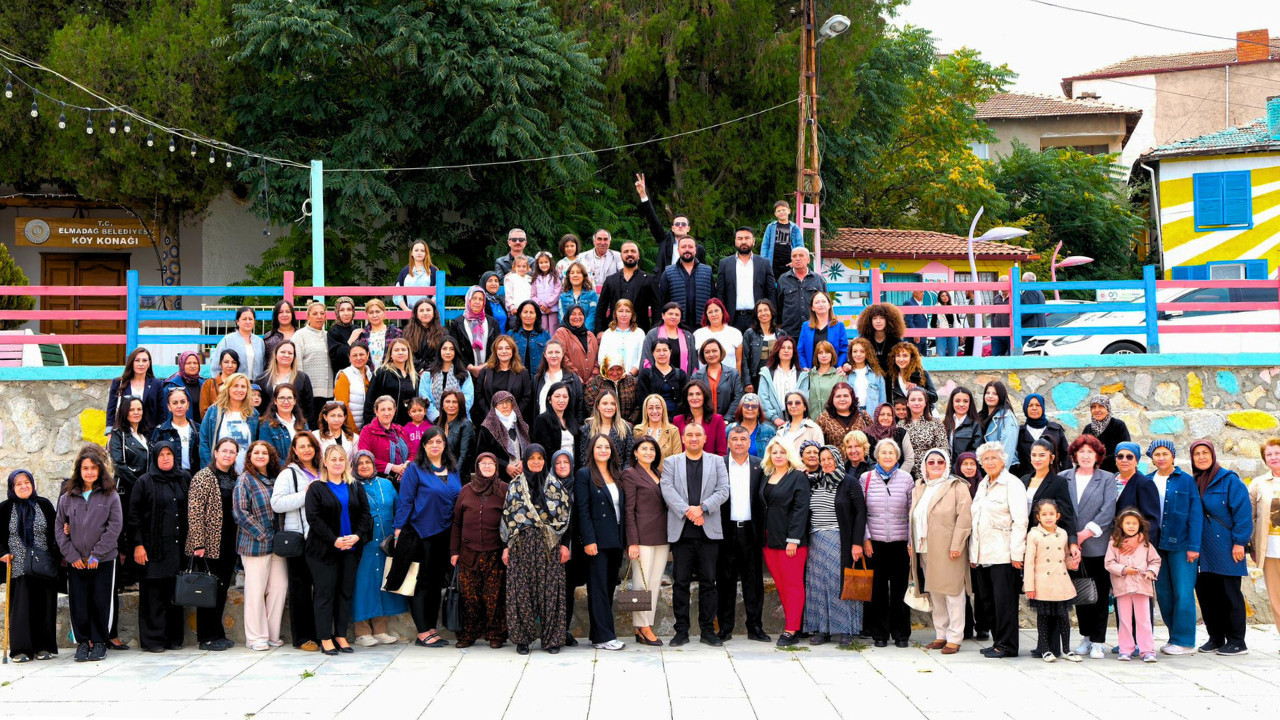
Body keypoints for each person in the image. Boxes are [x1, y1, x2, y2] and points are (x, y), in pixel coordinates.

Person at [390, 427, 462, 649]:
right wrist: (399, 528)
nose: (435, 445)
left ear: (444, 445)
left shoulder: (453, 469)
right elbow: (406, 499)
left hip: (446, 535)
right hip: (422, 533)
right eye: (430, 442)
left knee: (435, 584)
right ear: (423, 445)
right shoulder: (415, 469)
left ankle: (432, 629)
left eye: (439, 442)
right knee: (421, 583)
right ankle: (422, 633)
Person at [659, 423, 729, 647]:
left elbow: (724, 490)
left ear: (705, 438)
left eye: (698, 434)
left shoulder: (717, 461)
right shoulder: (671, 462)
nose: (693, 438)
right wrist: (689, 511)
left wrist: (703, 508)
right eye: (689, 434)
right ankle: (681, 631)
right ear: (683, 437)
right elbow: (667, 488)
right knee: (680, 583)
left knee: (709, 582)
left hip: (708, 532)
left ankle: (708, 630)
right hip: (682, 532)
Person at [56, 445, 123, 663]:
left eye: (94, 468)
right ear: (79, 470)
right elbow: (59, 528)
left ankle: (100, 642)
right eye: (85, 468)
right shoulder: (67, 497)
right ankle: (83, 643)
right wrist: (72, 556)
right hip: (76, 562)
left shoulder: (110, 495)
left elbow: (115, 527)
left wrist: (96, 555)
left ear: (100, 470)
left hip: (102, 560)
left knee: (101, 601)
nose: (90, 472)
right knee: (79, 602)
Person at [503, 446, 573, 655]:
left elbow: (566, 517)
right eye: (531, 458)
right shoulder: (515, 485)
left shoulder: (556, 485)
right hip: (521, 545)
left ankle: (552, 639)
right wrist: (506, 547)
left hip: (549, 545)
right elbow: (507, 517)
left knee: (551, 594)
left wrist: (564, 545)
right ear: (524, 460)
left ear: (545, 461)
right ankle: (522, 639)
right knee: (521, 592)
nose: (535, 462)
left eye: (539, 458)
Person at [305, 445, 373, 655]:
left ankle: (341, 635)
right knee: (325, 593)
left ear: (347, 463)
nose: (337, 463)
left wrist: (357, 536)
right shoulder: (316, 487)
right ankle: (325, 638)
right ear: (325, 462)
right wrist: (334, 540)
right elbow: (313, 519)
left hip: (351, 549)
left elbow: (364, 514)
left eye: (341, 459)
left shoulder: (355, 486)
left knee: (345, 592)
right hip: (323, 550)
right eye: (333, 459)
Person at [1191, 439, 1252, 656]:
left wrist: (1239, 543)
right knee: (1207, 595)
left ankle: (1237, 641)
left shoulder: (1230, 481)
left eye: (1205, 452)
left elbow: (1243, 514)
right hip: (1202, 549)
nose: (1201, 457)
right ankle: (1216, 637)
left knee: (1230, 594)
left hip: (1227, 546)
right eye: (1197, 453)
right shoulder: (1194, 482)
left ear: (1213, 455)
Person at [127, 442, 191, 654]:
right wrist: (138, 545)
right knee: (153, 595)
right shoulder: (144, 482)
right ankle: (153, 640)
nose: (165, 458)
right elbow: (134, 517)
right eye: (161, 455)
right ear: (154, 458)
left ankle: (173, 638)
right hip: (152, 548)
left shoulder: (183, 479)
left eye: (169, 454)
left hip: (176, 547)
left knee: (174, 593)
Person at [908, 448, 973, 655]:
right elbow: (914, 518)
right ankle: (941, 634)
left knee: (953, 593)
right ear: (924, 465)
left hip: (949, 549)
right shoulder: (919, 487)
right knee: (935, 593)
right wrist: (911, 542)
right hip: (925, 548)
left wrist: (957, 545)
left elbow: (964, 518)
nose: (935, 466)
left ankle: (955, 637)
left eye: (940, 462)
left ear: (946, 465)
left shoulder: (956, 486)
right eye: (931, 462)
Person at [1059, 435, 1118, 659]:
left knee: (1100, 595)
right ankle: (1085, 637)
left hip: (1096, 544)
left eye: (1090, 452)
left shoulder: (1107, 478)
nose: (1085, 456)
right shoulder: (1064, 477)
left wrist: (1084, 534)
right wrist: (1073, 537)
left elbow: (1108, 510)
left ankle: (1098, 641)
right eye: (1081, 452)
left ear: (1097, 456)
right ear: (1074, 454)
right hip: (1071, 545)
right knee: (1082, 593)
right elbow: (1061, 508)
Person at [969, 441, 1028, 659]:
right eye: (986, 459)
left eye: (994, 458)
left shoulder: (1012, 484)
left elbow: (1020, 521)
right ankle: (997, 642)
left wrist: (1016, 554)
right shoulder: (983, 484)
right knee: (988, 601)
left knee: (1005, 603)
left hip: (1004, 554)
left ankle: (1008, 645)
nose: (990, 462)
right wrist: (973, 554)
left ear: (1003, 460)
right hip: (984, 554)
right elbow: (976, 521)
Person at [1144, 439, 1203, 656]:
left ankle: (1185, 640)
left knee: (1183, 592)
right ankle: (1173, 637)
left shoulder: (1185, 480)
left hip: (1182, 544)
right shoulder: (1148, 480)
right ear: (1152, 457)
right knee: (1165, 593)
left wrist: (1194, 546)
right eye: (1157, 454)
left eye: (1165, 454)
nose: (1161, 458)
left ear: (1173, 456)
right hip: (1157, 545)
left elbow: (1195, 513)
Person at [855, 438, 914, 648]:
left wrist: (910, 540)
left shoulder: (907, 479)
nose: (887, 456)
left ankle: (901, 634)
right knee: (877, 591)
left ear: (897, 457)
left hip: (900, 543)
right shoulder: (866, 478)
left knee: (900, 591)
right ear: (876, 456)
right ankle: (879, 633)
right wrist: (866, 538)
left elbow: (911, 513)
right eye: (883, 452)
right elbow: (861, 512)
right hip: (875, 543)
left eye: (891, 452)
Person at [185, 437, 242, 651]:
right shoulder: (203, 477)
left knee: (221, 589)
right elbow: (195, 512)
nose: (228, 455)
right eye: (224, 451)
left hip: (228, 541)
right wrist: (198, 543)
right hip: (208, 544)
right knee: (207, 591)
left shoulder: (235, 477)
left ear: (236, 456)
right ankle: (206, 637)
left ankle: (218, 633)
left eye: (232, 452)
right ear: (215, 453)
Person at [232, 441, 288, 651]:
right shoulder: (245, 480)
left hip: (278, 543)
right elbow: (240, 512)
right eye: (256, 452)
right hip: (255, 543)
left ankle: (272, 634)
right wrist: (262, 534)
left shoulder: (276, 479)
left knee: (279, 587)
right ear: (249, 456)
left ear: (271, 456)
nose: (261, 455)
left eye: (265, 452)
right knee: (255, 591)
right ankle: (255, 637)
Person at [450, 453, 510, 648]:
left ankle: (496, 634)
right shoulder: (466, 490)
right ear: (476, 466)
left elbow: (510, 522)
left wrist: (508, 548)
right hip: (468, 553)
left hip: (495, 553)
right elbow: (457, 523)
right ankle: (469, 634)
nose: (486, 466)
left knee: (494, 597)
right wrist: (454, 551)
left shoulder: (504, 490)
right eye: (482, 463)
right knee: (470, 597)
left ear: (496, 467)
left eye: (490, 463)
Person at [805, 445, 863, 645]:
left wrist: (857, 543)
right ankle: (823, 629)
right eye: (823, 459)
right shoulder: (815, 482)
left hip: (839, 539)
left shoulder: (849, 482)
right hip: (815, 540)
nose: (826, 462)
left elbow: (860, 513)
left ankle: (846, 629)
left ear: (838, 459)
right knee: (818, 585)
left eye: (830, 458)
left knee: (839, 583)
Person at [1, 469, 60, 662]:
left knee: (44, 605)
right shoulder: (4, 508)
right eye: (18, 484)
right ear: (12, 488)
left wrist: (57, 556)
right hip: (17, 565)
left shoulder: (43, 504)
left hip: (42, 564)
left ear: (32, 484)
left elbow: (55, 531)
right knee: (21, 608)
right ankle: (21, 649)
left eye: (27, 482)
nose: (24, 486)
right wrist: (2, 553)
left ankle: (43, 647)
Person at [271, 431, 322, 652]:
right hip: (299, 538)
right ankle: (303, 638)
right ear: (294, 450)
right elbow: (277, 504)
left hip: (322, 538)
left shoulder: (323, 470)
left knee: (320, 588)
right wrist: (307, 494)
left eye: (310, 445)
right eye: (301, 446)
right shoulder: (288, 474)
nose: (306, 450)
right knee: (300, 589)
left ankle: (320, 634)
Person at [717, 426, 769, 642]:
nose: (738, 443)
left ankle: (755, 627)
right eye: (734, 439)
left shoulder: (761, 465)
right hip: (725, 530)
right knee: (724, 581)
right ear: (728, 442)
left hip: (751, 531)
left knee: (754, 581)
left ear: (750, 442)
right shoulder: (719, 464)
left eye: (743, 439)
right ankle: (725, 628)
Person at [576, 434, 627, 650]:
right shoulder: (584, 474)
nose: (603, 450)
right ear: (592, 450)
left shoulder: (617, 475)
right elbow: (582, 509)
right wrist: (588, 539)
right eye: (599, 447)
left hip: (615, 539)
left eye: (607, 447)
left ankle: (597, 636)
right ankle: (606, 637)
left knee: (607, 587)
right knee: (598, 589)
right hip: (596, 541)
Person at [350, 450, 406, 647]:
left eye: (368, 462)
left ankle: (380, 629)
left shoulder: (387, 484)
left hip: (386, 542)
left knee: (383, 583)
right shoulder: (351, 486)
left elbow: (399, 509)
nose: (364, 466)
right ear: (354, 467)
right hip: (364, 543)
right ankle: (362, 631)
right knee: (363, 585)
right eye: (360, 463)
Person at [759, 438, 810, 646]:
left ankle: (791, 630)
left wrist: (794, 539)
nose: (778, 455)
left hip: (791, 542)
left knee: (793, 585)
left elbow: (801, 510)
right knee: (781, 585)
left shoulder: (798, 477)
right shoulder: (766, 476)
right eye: (774, 452)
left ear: (788, 454)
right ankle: (794, 624)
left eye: (782, 452)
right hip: (769, 541)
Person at [621, 437, 669, 647]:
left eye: (652, 449)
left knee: (655, 583)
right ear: (636, 453)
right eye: (644, 449)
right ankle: (642, 626)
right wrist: (632, 542)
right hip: (641, 537)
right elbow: (628, 510)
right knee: (642, 584)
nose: (649, 452)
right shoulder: (630, 474)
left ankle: (645, 624)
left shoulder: (659, 473)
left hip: (662, 536)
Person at [1023, 499, 1081, 662]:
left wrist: (1073, 561)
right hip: (1042, 583)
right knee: (1043, 618)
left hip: (1061, 582)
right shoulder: (1034, 534)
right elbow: (1029, 562)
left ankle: (1067, 649)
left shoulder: (1062, 533)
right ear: (1038, 517)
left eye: (1051, 514)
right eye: (1044, 514)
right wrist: (1029, 585)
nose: (1048, 517)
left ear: (1058, 516)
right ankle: (1045, 650)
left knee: (1064, 617)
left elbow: (1064, 557)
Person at [1105, 508, 1161, 663]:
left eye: (1134, 523)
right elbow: (1109, 563)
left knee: (1144, 620)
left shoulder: (1145, 544)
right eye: (1127, 523)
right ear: (1121, 525)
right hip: (1122, 588)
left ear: (1140, 525)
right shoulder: (1114, 544)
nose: (1131, 526)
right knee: (1124, 619)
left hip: (1142, 587)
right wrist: (1123, 570)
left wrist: (1151, 571)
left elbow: (1155, 561)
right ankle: (1125, 649)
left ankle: (1147, 650)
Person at [634, 172, 706, 270]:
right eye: (677, 224)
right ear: (672, 228)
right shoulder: (664, 240)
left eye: (683, 224)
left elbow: (703, 272)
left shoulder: (699, 249)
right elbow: (652, 220)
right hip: (666, 283)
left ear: (688, 228)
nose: (680, 226)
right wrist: (643, 195)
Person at [715, 226, 777, 334]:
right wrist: (722, 317)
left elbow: (771, 292)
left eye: (747, 238)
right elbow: (720, 293)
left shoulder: (764, 263)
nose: (743, 241)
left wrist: (772, 319)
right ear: (735, 241)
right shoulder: (725, 264)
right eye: (740, 238)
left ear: (753, 241)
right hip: (732, 319)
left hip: (759, 318)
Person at [1021, 439, 1078, 546]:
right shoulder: (1023, 480)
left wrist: (1072, 541)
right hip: (1022, 537)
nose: (1037, 459)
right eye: (1034, 455)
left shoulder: (1059, 482)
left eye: (1042, 455)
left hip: (1046, 539)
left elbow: (1067, 514)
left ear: (1051, 458)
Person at [1249, 438, 1280, 629]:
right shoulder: (1258, 484)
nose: (1273, 457)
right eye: (1269, 454)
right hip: (1270, 550)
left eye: (1277, 453)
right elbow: (1250, 517)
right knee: (1276, 597)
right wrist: (1252, 546)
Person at [595, 241, 657, 332]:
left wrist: (654, 332)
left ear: (638, 255)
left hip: (641, 332)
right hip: (614, 331)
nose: (629, 254)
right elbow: (601, 308)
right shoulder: (610, 280)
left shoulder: (650, 280)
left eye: (633, 251)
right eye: (626, 251)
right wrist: (599, 331)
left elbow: (657, 308)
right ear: (621, 256)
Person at [474, 335, 535, 425]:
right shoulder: (486, 371)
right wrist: (490, 414)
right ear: (495, 351)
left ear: (513, 351)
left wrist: (513, 414)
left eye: (507, 348)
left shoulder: (522, 372)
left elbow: (527, 396)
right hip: (490, 422)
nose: (504, 351)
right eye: (500, 348)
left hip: (514, 422)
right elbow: (479, 395)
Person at [659, 236, 715, 331]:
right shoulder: (668, 272)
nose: (687, 250)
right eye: (684, 247)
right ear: (678, 250)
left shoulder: (707, 271)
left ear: (695, 250)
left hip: (702, 325)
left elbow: (713, 298)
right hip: (677, 325)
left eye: (690, 247)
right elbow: (662, 301)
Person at [106, 347, 164, 434]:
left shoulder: (157, 384)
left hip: (150, 435)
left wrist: (160, 434)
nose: (141, 364)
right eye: (137, 360)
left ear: (149, 363)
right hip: (123, 434)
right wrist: (109, 432)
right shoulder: (119, 383)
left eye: (144, 360)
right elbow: (111, 410)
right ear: (131, 362)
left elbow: (162, 413)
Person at [295, 301, 335, 426]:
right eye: (315, 314)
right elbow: (297, 363)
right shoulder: (300, 335)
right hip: (309, 393)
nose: (319, 316)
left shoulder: (329, 335)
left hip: (329, 393)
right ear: (308, 317)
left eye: (322, 313)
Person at [476, 390, 532, 480]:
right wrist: (505, 466)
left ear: (513, 404)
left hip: (523, 477)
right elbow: (483, 454)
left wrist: (524, 462)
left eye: (508, 402)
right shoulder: (488, 427)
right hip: (499, 478)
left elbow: (531, 448)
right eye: (500, 403)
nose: (505, 406)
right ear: (495, 407)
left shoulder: (522, 425)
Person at [363, 337, 418, 428]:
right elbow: (370, 401)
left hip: (407, 427)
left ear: (408, 353)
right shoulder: (381, 373)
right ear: (391, 354)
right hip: (385, 425)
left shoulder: (414, 376)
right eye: (396, 350)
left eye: (403, 350)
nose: (400, 352)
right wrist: (371, 424)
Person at [254, 341, 316, 419]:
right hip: (269, 426)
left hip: (297, 425)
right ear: (276, 354)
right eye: (283, 352)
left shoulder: (303, 378)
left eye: (290, 353)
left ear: (294, 357)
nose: (286, 355)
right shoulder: (261, 379)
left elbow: (309, 407)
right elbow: (256, 406)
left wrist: (309, 428)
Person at [1013, 393, 1071, 477]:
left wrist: (1067, 479)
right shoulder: (1019, 432)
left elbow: (1065, 456)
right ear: (1025, 408)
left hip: (1053, 480)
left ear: (1043, 407)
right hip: (1027, 481)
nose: (1034, 408)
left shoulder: (1055, 430)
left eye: (1038, 405)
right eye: (1030, 405)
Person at [420, 337, 475, 424]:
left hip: (460, 422)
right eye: (444, 349)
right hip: (434, 423)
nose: (448, 352)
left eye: (451, 349)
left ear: (456, 351)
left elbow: (468, 399)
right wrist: (437, 417)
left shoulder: (464, 374)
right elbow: (424, 398)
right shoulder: (428, 374)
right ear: (439, 351)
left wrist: (453, 416)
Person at [775, 246, 826, 339]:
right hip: (789, 332)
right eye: (794, 256)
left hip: (814, 330)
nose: (797, 258)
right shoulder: (783, 279)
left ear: (808, 259)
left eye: (801, 255)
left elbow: (826, 305)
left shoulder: (818, 280)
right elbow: (778, 305)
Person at [533, 340, 586, 428]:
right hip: (542, 429)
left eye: (557, 352)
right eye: (550, 352)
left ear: (563, 354)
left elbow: (580, 408)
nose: (554, 355)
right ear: (545, 355)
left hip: (566, 431)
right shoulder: (537, 379)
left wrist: (577, 430)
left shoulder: (573, 378)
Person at [448, 285, 500, 374]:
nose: (477, 302)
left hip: (490, 371)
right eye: (474, 298)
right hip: (464, 372)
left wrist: (487, 365)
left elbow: (497, 347)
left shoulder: (492, 323)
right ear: (468, 300)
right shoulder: (457, 324)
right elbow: (454, 349)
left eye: (480, 299)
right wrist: (469, 367)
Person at [579, 388, 635, 470]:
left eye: (613, 404)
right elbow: (584, 459)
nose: (609, 407)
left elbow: (629, 458)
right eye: (605, 403)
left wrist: (623, 476)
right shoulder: (587, 429)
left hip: (619, 477)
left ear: (616, 407)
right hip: (594, 477)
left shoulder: (626, 428)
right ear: (598, 406)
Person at [358, 396, 411, 482]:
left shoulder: (400, 429)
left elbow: (412, 452)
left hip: (405, 477)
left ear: (394, 410)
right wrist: (392, 468)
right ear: (376, 411)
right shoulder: (367, 431)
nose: (387, 413)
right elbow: (364, 458)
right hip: (378, 480)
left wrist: (405, 467)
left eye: (390, 409)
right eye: (383, 410)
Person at [758, 336, 808, 425]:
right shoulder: (766, 372)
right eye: (782, 347)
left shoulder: (802, 374)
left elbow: (804, 398)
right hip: (771, 423)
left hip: (797, 422)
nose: (786, 350)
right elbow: (763, 397)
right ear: (777, 351)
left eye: (789, 348)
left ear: (794, 352)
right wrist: (774, 418)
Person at [691, 338, 744, 422]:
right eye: (707, 352)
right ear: (703, 355)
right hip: (703, 421)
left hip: (728, 422)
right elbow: (693, 399)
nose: (711, 354)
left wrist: (727, 419)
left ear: (720, 351)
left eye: (714, 351)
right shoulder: (696, 376)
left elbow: (737, 398)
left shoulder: (733, 374)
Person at [741, 299, 786, 393]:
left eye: (766, 310)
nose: (763, 313)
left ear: (771, 312)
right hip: (757, 379)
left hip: (779, 378)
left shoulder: (781, 334)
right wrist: (747, 382)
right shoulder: (749, 334)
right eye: (759, 311)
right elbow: (745, 360)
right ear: (756, 315)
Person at [640, 303, 698, 376]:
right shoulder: (653, 334)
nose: (673, 317)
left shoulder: (688, 336)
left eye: (677, 315)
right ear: (663, 315)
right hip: (657, 381)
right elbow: (646, 358)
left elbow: (693, 361)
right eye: (670, 314)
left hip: (682, 381)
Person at [673, 380, 727, 456]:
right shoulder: (677, 420)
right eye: (691, 394)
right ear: (686, 398)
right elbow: (676, 451)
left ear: (704, 396)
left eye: (698, 394)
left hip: (711, 466)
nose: (694, 397)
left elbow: (721, 451)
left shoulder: (717, 420)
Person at [901, 387, 947, 478]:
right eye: (913, 400)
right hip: (906, 475)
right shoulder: (900, 425)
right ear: (907, 403)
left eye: (920, 400)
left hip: (930, 474)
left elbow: (943, 450)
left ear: (925, 403)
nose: (916, 403)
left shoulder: (936, 423)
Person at [637, 339, 688, 419]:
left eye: (665, 350)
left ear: (670, 352)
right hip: (653, 418)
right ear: (653, 353)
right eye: (658, 351)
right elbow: (642, 399)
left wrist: (673, 419)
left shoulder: (680, 374)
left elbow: (684, 400)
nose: (662, 354)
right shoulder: (646, 374)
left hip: (676, 418)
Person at [532, 382, 581, 464]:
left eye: (565, 396)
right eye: (557, 396)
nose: (561, 400)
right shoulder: (542, 420)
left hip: (572, 468)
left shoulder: (572, 420)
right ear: (549, 399)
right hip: (553, 468)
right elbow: (545, 451)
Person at [256, 383, 308, 461]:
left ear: (294, 401)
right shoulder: (266, 426)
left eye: (290, 398)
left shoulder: (303, 424)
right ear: (275, 401)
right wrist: (291, 470)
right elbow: (270, 455)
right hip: (281, 471)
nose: (286, 402)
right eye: (282, 398)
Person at [1081, 395, 1132, 474]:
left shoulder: (1118, 425)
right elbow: (1081, 450)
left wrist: (1098, 461)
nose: (1097, 410)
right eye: (1094, 407)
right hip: (1093, 473)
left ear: (1108, 409)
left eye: (1101, 406)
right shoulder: (1088, 429)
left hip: (1116, 472)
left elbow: (1125, 448)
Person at [584, 357, 641, 426]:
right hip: (601, 425)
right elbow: (590, 405)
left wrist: (631, 422)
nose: (615, 373)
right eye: (611, 369)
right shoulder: (595, 382)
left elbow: (638, 404)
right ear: (604, 368)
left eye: (619, 369)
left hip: (627, 425)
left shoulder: (631, 381)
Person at [797, 292, 848, 370]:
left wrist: (839, 366)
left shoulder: (839, 326)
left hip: (833, 373)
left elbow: (844, 350)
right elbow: (800, 351)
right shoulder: (805, 327)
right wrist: (804, 367)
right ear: (812, 307)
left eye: (824, 301)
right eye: (817, 302)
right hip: (811, 373)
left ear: (829, 305)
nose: (821, 304)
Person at [215, 306, 267, 380]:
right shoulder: (228, 340)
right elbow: (216, 365)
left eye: (250, 319)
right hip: (233, 386)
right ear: (237, 321)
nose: (248, 322)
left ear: (254, 321)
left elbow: (263, 366)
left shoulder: (259, 342)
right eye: (244, 319)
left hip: (255, 386)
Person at [856, 303, 906, 376]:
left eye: (882, 318)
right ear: (869, 321)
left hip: (891, 378)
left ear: (889, 320)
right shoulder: (864, 340)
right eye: (875, 318)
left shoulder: (896, 341)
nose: (878, 321)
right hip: (869, 378)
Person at [552, 304, 599, 379]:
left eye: (580, 314)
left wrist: (593, 375)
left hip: (590, 383)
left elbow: (597, 356)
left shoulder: (590, 335)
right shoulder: (561, 333)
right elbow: (562, 357)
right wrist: (575, 375)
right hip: (570, 380)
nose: (577, 317)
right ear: (567, 316)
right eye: (573, 314)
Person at [597, 299, 645, 375]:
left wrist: (631, 374)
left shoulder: (639, 333)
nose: (624, 314)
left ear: (632, 314)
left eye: (628, 311)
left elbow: (641, 357)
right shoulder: (607, 334)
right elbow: (601, 358)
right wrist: (612, 374)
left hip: (633, 377)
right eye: (620, 311)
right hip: (611, 377)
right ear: (615, 313)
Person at [761, 200, 804, 280]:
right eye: (779, 211)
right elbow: (765, 245)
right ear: (775, 214)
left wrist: (796, 261)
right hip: (773, 263)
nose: (781, 212)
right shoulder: (771, 227)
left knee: (789, 285)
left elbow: (800, 246)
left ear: (789, 211)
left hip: (789, 263)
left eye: (783, 210)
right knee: (772, 285)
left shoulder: (794, 227)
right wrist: (764, 261)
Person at [815, 382, 869, 448]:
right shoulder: (823, 418)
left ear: (852, 397)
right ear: (832, 399)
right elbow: (817, 444)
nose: (842, 399)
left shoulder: (863, 415)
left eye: (846, 396)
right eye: (838, 396)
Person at [335, 343, 375, 430]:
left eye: (361, 354)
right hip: (350, 430)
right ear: (349, 357)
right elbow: (342, 406)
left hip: (368, 429)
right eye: (354, 355)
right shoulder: (344, 375)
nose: (358, 358)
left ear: (367, 355)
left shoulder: (372, 376)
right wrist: (353, 432)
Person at [401, 298, 446, 374]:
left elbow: (443, 354)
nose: (425, 313)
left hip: (436, 373)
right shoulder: (408, 332)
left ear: (434, 313)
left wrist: (429, 370)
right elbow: (407, 352)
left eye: (428, 310)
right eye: (421, 310)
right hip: (413, 372)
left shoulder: (442, 332)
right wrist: (420, 369)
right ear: (416, 314)